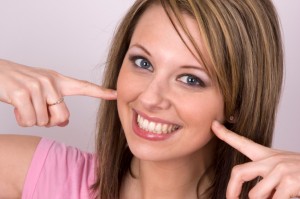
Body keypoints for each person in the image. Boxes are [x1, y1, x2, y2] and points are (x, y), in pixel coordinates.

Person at [0, 0, 299, 198]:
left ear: (237, 102)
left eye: (191, 79)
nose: (150, 97)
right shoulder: (42, 175)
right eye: (143, 63)